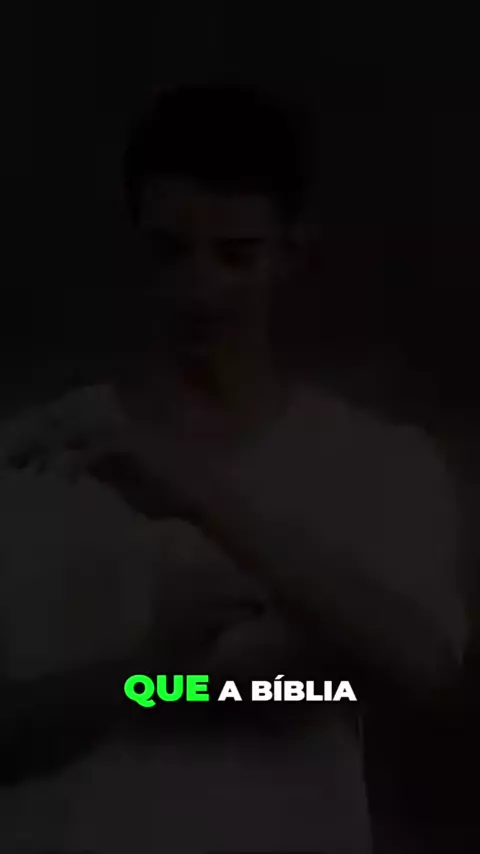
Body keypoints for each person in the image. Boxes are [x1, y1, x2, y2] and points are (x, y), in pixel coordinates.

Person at [0, 84, 467, 853]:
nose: (201, 288)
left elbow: (424, 677)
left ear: (292, 253)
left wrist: (197, 494)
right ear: (134, 247)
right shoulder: (29, 455)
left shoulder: (382, 465)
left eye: (236, 256)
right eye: (171, 251)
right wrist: (152, 675)